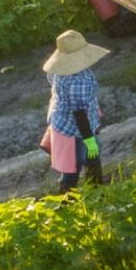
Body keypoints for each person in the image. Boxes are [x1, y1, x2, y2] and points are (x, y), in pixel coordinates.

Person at [39, 29, 109, 193]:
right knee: (82, 161)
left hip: (61, 122)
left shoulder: (57, 71)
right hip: (75, 128)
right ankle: (90, 194)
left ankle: (83, 192)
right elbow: (79, 113)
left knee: (72, 164)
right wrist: (89, 139)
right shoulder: (80, 81)